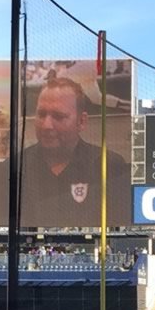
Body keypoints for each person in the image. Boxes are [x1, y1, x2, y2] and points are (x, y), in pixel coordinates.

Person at [20, 74, 129, 227]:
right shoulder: (13, 168)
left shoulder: (109, 166)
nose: (46, 125)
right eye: (41, 114)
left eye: (58, 116)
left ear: (81, 121)